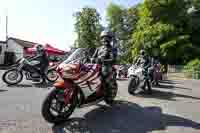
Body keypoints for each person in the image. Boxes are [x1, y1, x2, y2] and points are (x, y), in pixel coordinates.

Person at [92, 30, 117, 100]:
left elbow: (113, 59)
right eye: (103, 37)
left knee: (105, 75)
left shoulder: (112, 49)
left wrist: (104, 61)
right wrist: (91, 59)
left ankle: (109, 94)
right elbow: (93, 57)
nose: (105, 39)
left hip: (106, 66)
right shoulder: (98, 48)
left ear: (110, 39)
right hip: (96, 66)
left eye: (107, 37)